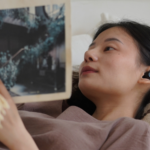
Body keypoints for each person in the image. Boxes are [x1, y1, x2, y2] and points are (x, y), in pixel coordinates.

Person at [0, 20, 150, 150]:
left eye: (109, 48)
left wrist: (19, 140)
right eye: (90, 48)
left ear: (146, 74)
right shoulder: (48, 102)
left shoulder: (133, 131)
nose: (87, 55)